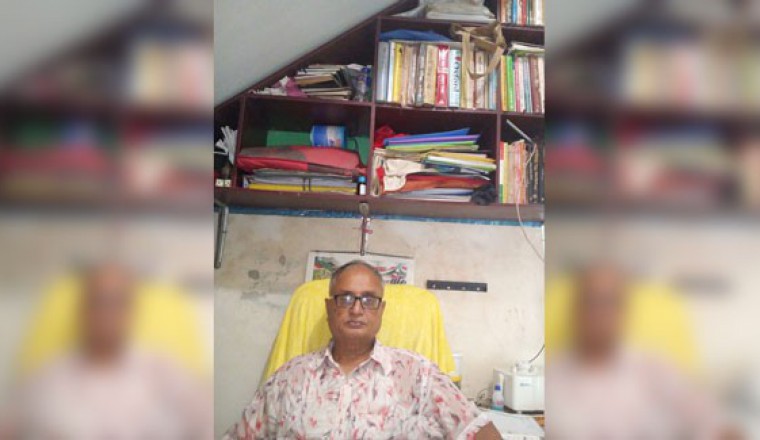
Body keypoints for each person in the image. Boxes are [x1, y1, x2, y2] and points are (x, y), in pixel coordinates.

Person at [225, 260, 501, 439]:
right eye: (345, 298)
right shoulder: (289, 378)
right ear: (329, 307)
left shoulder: (419, 375)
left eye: (368, 300)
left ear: (381, 310)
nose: (356, 309)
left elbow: (482, 432)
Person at [3, 263, 211, 439]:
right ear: (83, 310)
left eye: (117, 301)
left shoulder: (164, 372)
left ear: (131, 311)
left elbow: (208, 422)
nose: (107, 312)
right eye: (99, 300)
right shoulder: (48, 378)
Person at [547, 263, 739, 439]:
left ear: (623, 311)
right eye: (591, 301)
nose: (600, 312)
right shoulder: (553, 379)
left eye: (609, 301)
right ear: (576, 309)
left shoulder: (653, 368)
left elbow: (710, 420)